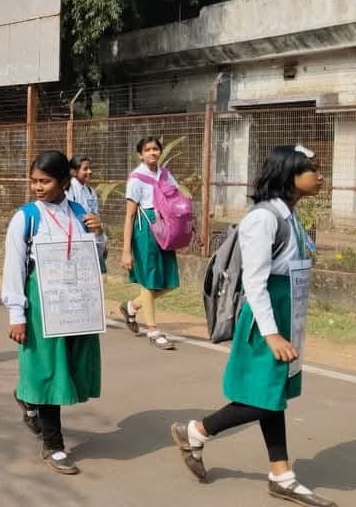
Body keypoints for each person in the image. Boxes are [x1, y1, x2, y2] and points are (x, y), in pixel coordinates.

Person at [171, 145, 335, 507]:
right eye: (312, 169)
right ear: (289, 175)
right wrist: (272, 332)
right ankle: (195, 431)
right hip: (267, 317)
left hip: (285, 312)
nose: (320, 175)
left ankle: (281, 474)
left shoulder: (288, 214)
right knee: (265, 396)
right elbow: (256, 282)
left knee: (272, 395)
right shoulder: (263, 219)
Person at [2, 151, 104, 475]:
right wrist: (16, 313)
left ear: (64, 182)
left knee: (68, 365)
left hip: (74, 300)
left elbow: (95, 258)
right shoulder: (26, 218)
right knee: (48, 368)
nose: (38, 187)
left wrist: (99, 234)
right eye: (33, 181)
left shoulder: (81, 212)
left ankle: (26, 396)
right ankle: (53, 444)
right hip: (41, 301)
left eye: (44, 181)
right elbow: (14, 268)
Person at [119, 136, 180, 350]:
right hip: (145, 229)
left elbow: (177, 199)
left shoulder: (166, 175)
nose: (152, 153)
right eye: (147, 150)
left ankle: (132, 306)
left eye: (155, 149)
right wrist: (126, 250)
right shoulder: (136, 179)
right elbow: (129, 216)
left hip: (166, 228)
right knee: (148, 280)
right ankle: (153, 330)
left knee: (169, 282)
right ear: (140, 154)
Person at [67, 155, 107, 272]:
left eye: (90, 168)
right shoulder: (68, 190)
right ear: (74, 172)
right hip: (75, 242)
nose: (90, 171)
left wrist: (103, 240)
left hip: (90, 240)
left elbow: (96, 217)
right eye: (85, 169)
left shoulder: (90, 191)